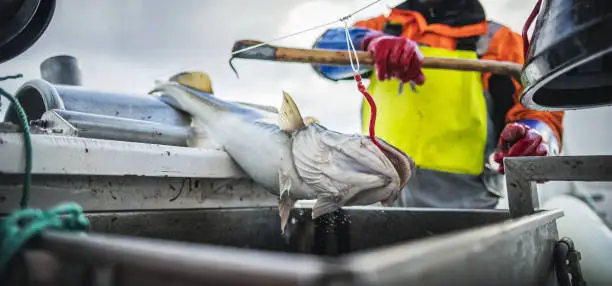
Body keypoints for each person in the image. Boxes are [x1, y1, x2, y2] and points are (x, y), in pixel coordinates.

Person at [310, 0, 564, 209]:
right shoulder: (379, 29)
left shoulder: (503, 43)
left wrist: (535, 138)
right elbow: (321, 58)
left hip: (464, 206)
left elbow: (542, 114)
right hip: (376, 194)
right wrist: (368, 43)